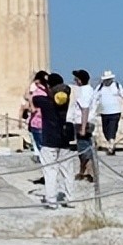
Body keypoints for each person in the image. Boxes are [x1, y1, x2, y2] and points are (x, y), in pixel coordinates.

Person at [34, 72, 75, 209]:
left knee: (50, 172)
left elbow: (34, 98)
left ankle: (52, 201)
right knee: (67, 171)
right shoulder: (67, 101)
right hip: (65, 141)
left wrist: (45, 87)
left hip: (49, 141)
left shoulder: (45, 102)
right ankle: (70, 199)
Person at [68, 69, 97, 181]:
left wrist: (83, 128)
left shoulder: (84, 92)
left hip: (82, 123)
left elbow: (85, 109)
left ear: (80, 80)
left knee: (85, 149)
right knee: (82, 149)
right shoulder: (88, 90)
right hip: (83, 122)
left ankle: (90, 173)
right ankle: (83, 171)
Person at [93, 71, 123, 154]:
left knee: (112, 128)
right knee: (105, 130)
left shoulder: (117, 86)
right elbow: (94, 98)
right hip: (104, 112)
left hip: (115, 111)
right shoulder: (100, 87)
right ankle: (111, 143)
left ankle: (111, 146)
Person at [20, 70, 48, 159]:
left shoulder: (36, 93)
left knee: (42, 149)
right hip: (46, 123)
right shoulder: (48, 92)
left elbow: (27, 99)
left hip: (37, 123)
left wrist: (30, 82)